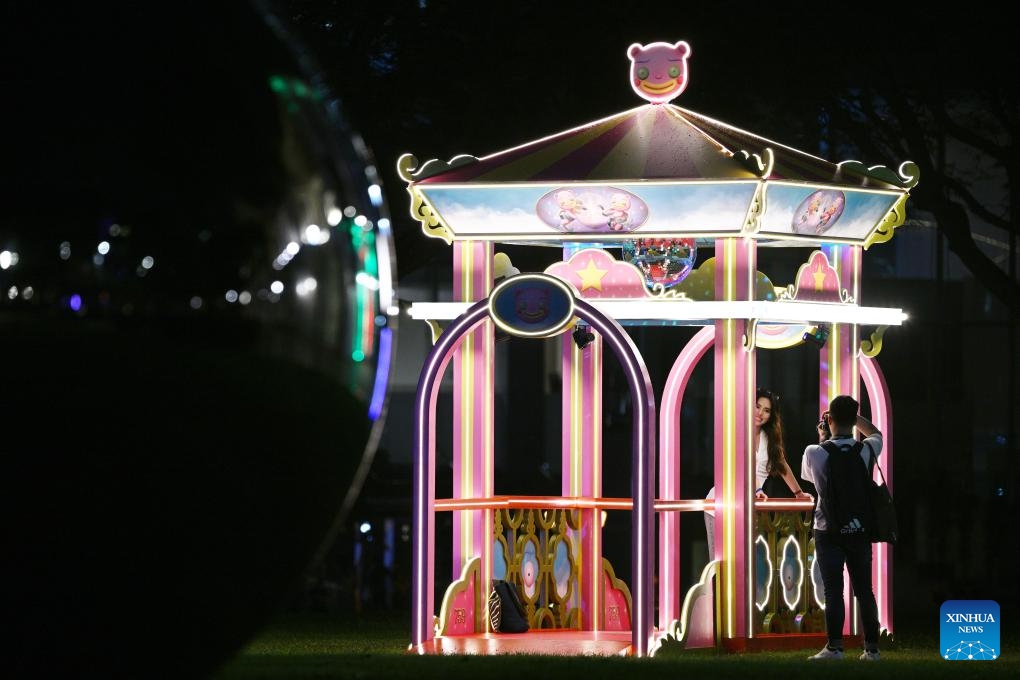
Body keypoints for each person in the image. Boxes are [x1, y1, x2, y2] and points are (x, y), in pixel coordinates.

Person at [801, 395, 883, 661]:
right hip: (859, 529)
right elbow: (876, 433)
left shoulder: (815, 452)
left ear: (829, 419)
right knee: (865, 590)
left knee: (833, 590)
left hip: (828, 529)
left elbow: (810, 479)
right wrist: (854, 419)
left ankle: (835, 647)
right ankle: (871, 649)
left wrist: (824, 437)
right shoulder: (867, 450)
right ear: (853, 419)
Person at [705, 388, 812, 557]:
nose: (760, 413)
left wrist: (798, 493)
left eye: (767, 410)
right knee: (720, 563)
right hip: (721, 504)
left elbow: (782, 465)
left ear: (772, 415)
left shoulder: (768, 438)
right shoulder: (736, 433)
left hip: (748, 506)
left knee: (747, 564)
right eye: (757, 406)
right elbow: (743, 466)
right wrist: (757, 490)